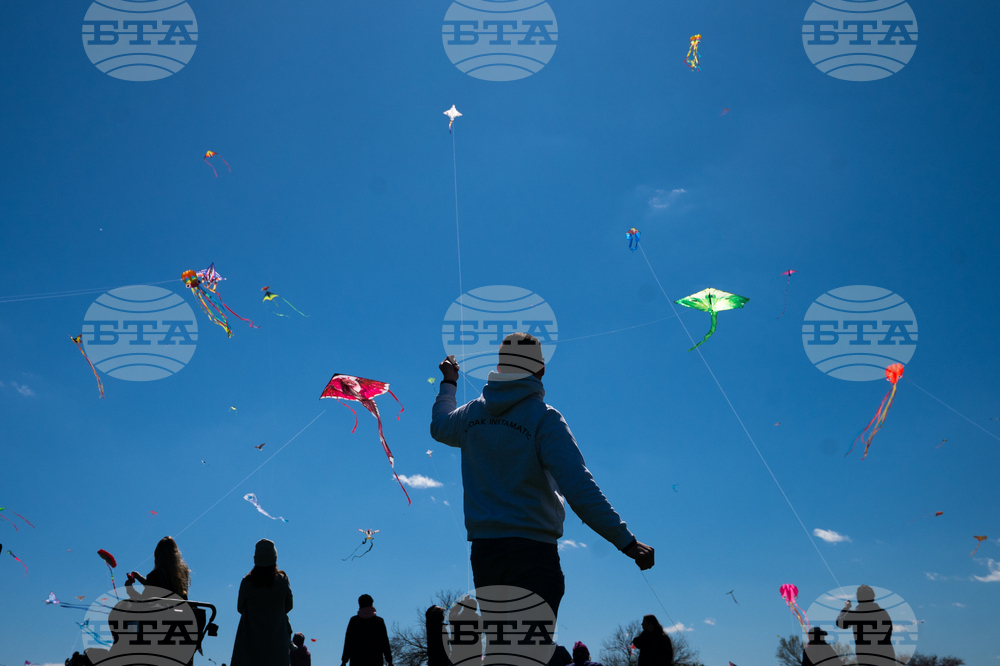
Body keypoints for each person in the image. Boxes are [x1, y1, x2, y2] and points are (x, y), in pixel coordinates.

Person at [430, 333, 654, 621]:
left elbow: (439, 426)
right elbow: (578, 486)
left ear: (499, 367)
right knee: (529, 646)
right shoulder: (544, 418)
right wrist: (627, 542)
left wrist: (449, 382)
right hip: (533, 555)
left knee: (503, 645)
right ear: (541, 369)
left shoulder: (471, 414)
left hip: (485, 556)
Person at [231, 539, 294, 666]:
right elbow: (289, 606)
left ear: (255, 558)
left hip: (250, 640)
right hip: (276, 640)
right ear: (274, 558)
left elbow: (240, 608)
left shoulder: (247, 581)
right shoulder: (282, 580)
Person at [836, 586, 896, 666]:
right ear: (873, 597)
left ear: (858, 598)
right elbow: (889, 630)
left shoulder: (855, 614)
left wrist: (846, 608)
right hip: (887, 658)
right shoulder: (883, 613)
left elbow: (839, 622)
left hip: (866, 660)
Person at [341, 594, 392, 666]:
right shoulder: (378, 621)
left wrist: (344, 660)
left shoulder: (354, 621)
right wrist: (389, 660)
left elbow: (348, 641)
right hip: (375, 659)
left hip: (357, 659)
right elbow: (384, 642)